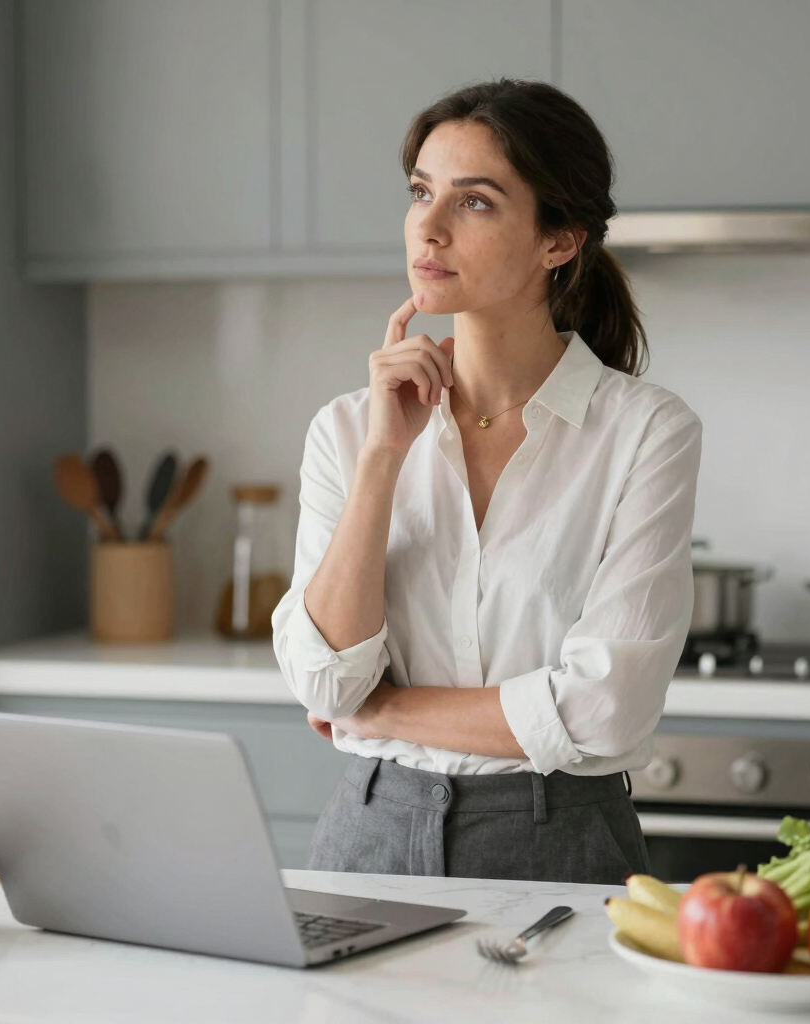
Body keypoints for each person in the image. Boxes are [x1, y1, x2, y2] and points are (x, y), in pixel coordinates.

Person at [271, 78, 702, 884]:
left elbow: (604, 710)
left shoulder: (645, 432)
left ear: (559, 241)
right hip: (369, 834)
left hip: (560, 842)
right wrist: (380, 461)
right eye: (420, 192)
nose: (427, 228)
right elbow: (326, 678)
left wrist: (386, 710)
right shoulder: (346, 429)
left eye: (474, 203)